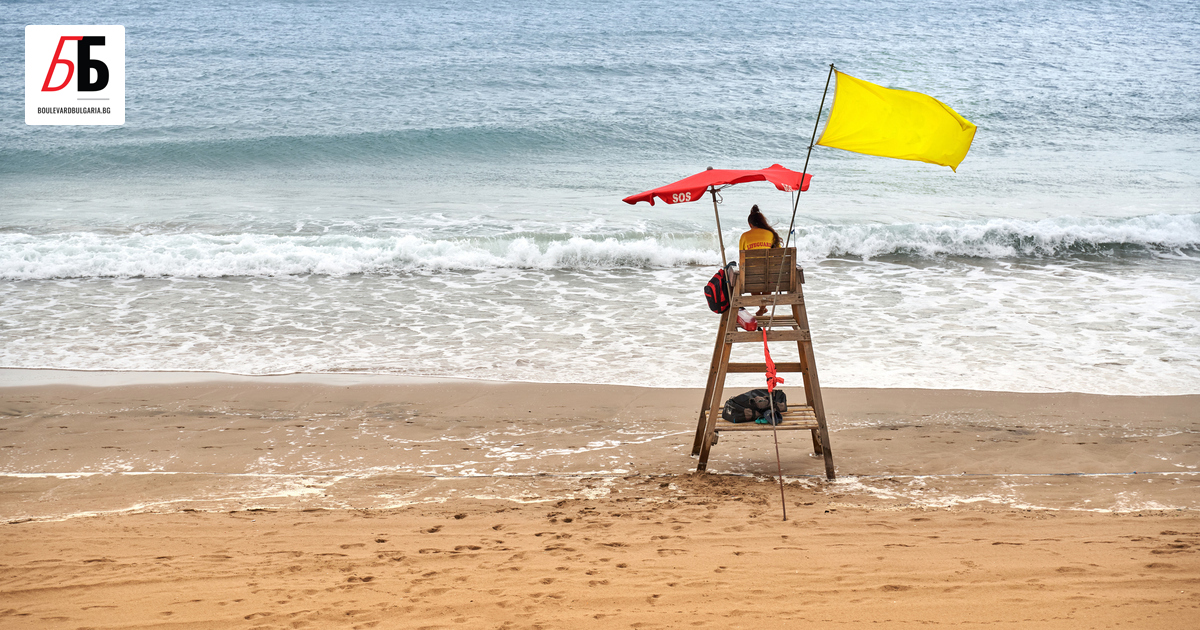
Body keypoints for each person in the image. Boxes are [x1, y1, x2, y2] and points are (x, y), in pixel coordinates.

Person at [738, 205, 782, 315]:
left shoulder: (744, 236)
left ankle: (762, 307)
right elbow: (780, 254)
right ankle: (763, 307)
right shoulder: (771, 234)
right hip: (770, 275)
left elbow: (741, 257)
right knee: (769, 276)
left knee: (752, 278)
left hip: (752, 277)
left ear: (750, 224)